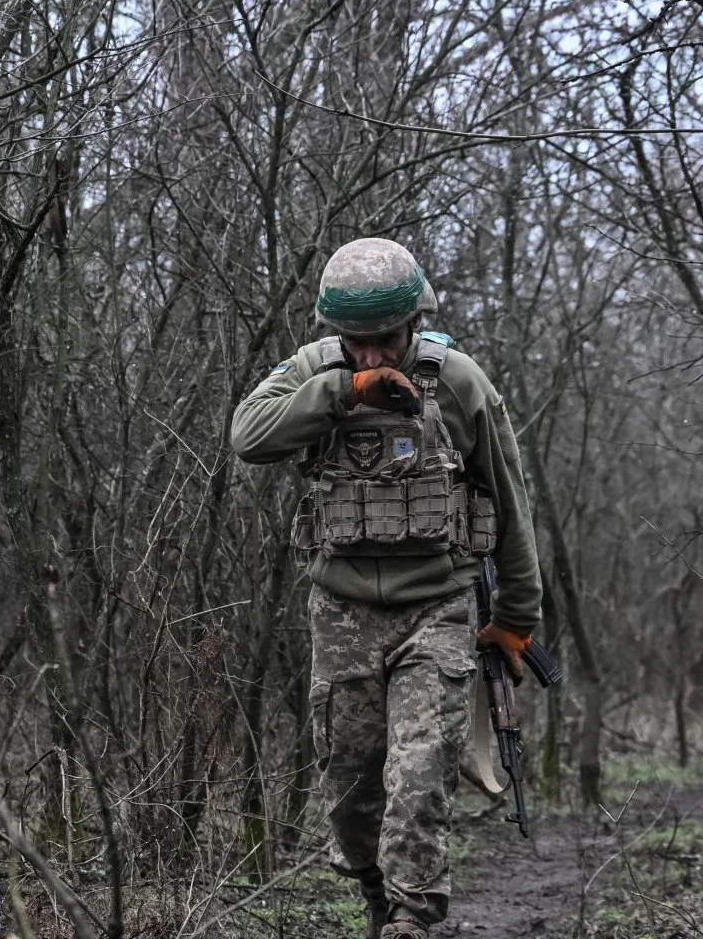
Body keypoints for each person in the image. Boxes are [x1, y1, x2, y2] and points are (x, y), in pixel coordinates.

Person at [230, 237, 545, 939]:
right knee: (349, 792)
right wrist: (345, 392)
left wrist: (516, 618)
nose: (373, 355)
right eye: (357, 342)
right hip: (342, 613)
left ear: (415, 323)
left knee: (419, 777)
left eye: (386, 341)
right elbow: (248, 435)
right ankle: (379, 897)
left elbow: (511, 500)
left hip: (437, 607)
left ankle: (412, 917)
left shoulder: (458, 381)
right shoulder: (315, 371)